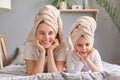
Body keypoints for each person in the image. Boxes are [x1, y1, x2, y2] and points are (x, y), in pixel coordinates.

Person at [24, 5, 66, 75]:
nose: (46, 37)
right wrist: (42, 52)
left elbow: (56, 76)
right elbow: (32, 76)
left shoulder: (61, 47)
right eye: (41, 33)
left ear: (56, 34)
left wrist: (50, 51)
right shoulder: (29, 46)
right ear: (36, 33)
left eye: (50, 33)